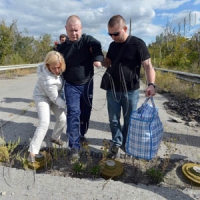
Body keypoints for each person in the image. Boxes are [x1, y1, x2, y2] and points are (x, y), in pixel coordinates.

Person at [102, 15, 156, 158]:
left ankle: (126, 143)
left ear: (125, 28)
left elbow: (148, 66)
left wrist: (151, 84)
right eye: (110, 34)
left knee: (128, 120)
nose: (113, 37)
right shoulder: (112, 45)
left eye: (116, 33)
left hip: (130, 91)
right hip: (112, 89)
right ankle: (116, 143)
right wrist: (101, 60)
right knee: (113, 120)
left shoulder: (138, 44)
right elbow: (108, 63)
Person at [58, 15, 104, 159]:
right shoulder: (62, 47)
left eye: (76, 30)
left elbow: (97, 45)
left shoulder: (86, 40)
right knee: (73, 113)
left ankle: (81, 134)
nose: (74, 33)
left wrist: (97, 59)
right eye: (70, 30)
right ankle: (74, 146)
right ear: (66, 29)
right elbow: (53, 63)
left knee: (85, 113)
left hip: (87, 84)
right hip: (71, 86)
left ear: (81, 28)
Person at [28, 51, 66, 162]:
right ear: (47, 65)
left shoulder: (59, 70)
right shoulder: (47, 79)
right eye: (54, 68)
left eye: (59, 67)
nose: (57, 71)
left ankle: (55, 137)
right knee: (44, 122)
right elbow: (54, 98)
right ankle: (33, 151)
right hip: (42, 98)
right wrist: (67, 107)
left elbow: (56, 96)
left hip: (55, 96)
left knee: (62, 118)